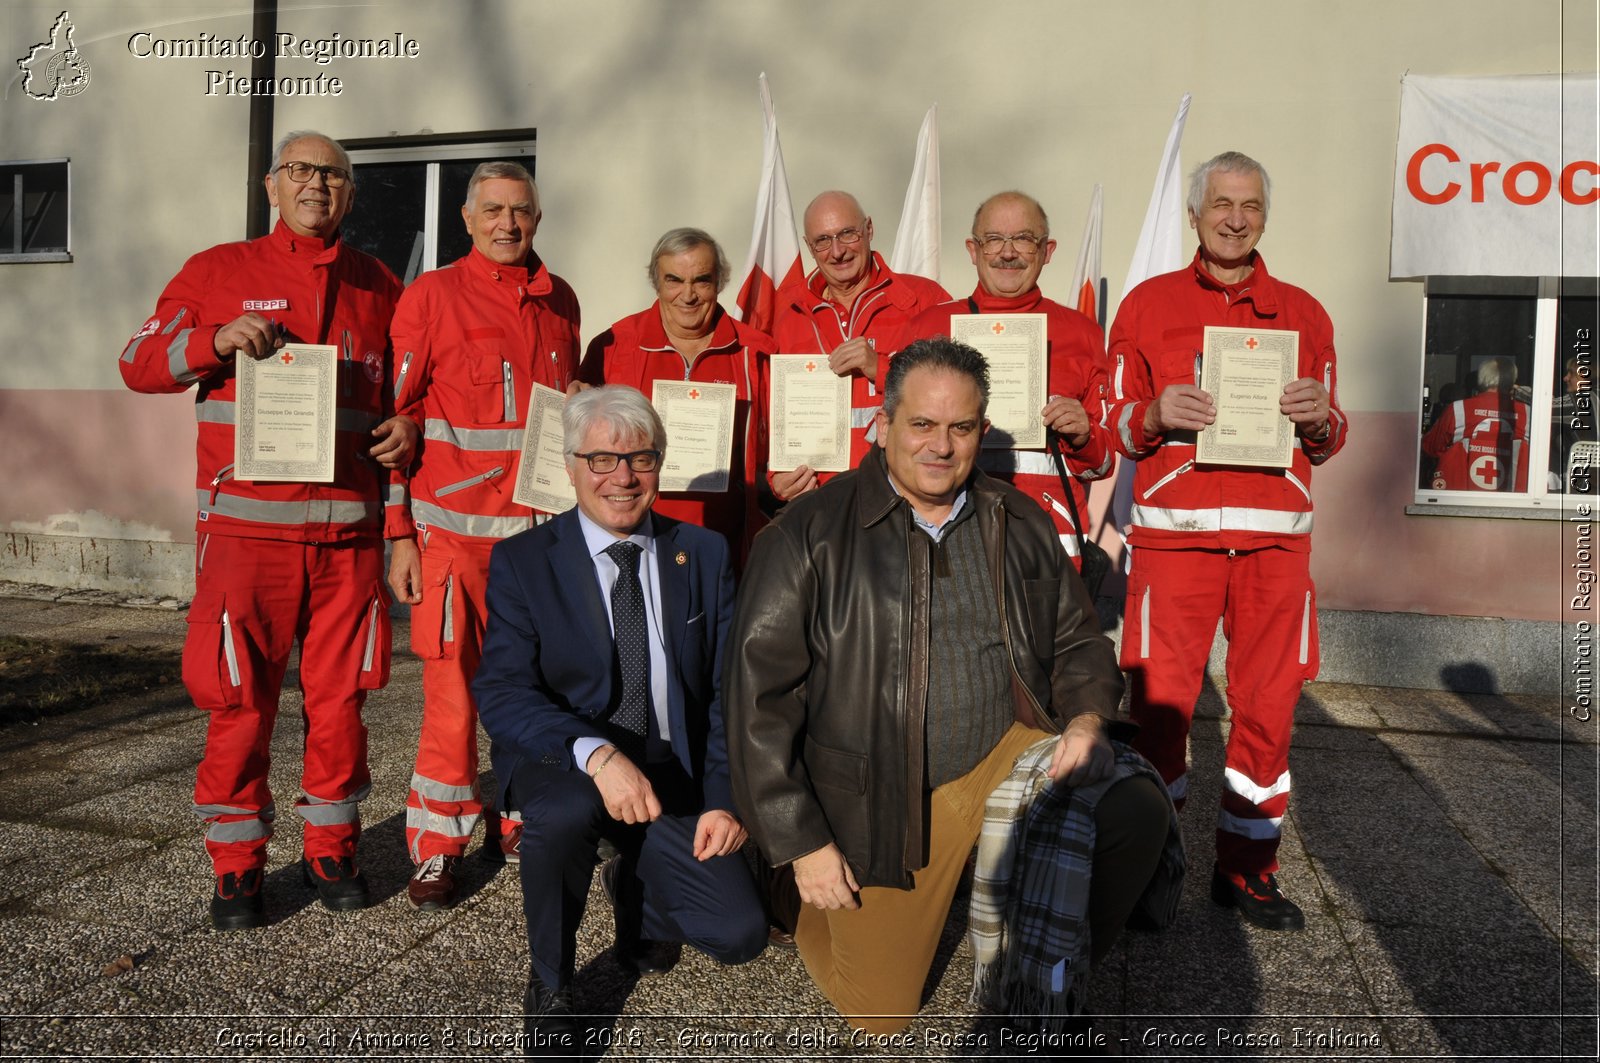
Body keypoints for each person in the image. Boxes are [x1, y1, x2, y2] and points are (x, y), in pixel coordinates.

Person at [726, 338, 1174, 1034]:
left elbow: (1077, 640)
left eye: (961, 427)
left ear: (982, 430)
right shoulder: (806, 533)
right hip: (875, 800)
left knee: (1136, 808)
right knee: (881, 1013)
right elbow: (758, 702)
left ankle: (1046, 959)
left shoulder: (1017, 520)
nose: (941, 445)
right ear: (883, 423)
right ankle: (797, 898)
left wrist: (1088, 718)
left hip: (1005, 754)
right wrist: (802, 843)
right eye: (922, 424)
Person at [119, 130, 415, 929]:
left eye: (334, 175)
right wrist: (211, 341)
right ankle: (238, 865)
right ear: (271, 185)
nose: (318, 184)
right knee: (238, 700)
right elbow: (137, 359)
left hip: (347, 540)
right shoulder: (217, 271)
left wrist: (405, 434)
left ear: (351, 193)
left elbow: (402, 403)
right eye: (301, 171)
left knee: (344, 699)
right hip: (247, 540)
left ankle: (332, 846)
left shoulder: (380, 284)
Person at [474, 385, 765, 1047]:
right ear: (573, 465)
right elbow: (504, 692)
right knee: (566, 814)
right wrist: (596, 755)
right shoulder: (525, 560)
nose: (623, 477)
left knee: (739, 933)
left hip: (670, 768)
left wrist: (724, 798)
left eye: (641, 458)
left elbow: (727, 691)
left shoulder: (705, 553)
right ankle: (551, 979)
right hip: (570, 762)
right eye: (602, 459)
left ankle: (635, 880)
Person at [1104, 151, 1347, 931]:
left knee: (1269, 711)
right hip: (1175, 547)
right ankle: (1151, 863)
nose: (1235, 218)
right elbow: (1113, 419)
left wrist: (1319, 418)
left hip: (1277, 551)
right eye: (1221, 204)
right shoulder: (1146, 305)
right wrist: (1151, 414)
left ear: (1264, 217)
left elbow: (1331, 435)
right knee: (1161, 713)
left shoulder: (1306, 313)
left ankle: (1247, 868)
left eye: (1249, 205)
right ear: (1194, 213)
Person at [385, 161, 583, 909]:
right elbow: (394, 430)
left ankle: (520, 811)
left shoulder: (560, 299)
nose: (508, 223)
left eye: (521, 211)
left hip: (541, 545)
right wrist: (400, 533)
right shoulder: (431, 295)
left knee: (535, 688)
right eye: (493, 210)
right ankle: (437, 845)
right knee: (452, 698)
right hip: (456, 545)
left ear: (538, 217)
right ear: (466, 220)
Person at [910, 192, 1116, 570]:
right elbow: (898, 445)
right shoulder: (928, 329)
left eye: (1023, 238)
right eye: (993, 240)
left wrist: (1084, 435)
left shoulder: (1082, 333)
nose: (1008, 253)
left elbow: (1101, 467)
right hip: (946, 539)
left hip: (1047, 545)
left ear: (1047, 250)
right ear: (973, 249)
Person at [578, 228, 774, 552]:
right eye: (674, 280)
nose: (688, 295)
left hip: (726, 546)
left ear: (719, 283)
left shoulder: (756, 353)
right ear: (656, 282)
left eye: (701, 280)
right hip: (633, 543)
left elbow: (775, 453)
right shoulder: (613, 347)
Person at [769, 191, 950, 499]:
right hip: (818, 503)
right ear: (809, 247)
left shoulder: (925, 300)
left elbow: (957, 393)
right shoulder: (787, 314)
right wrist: (776, 476)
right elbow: (768, 414)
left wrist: (880, 368)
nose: (837, 251)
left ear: (868, 229)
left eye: (847, 234)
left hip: (906, 501)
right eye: (822, 241)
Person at [1422, 358, 1530, 492]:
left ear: (1481, 378)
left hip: (1460, 495)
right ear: (1512, 381)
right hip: (1514, 498)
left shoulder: (1458, 409)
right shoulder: (1527, 413)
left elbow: (1431, 447)